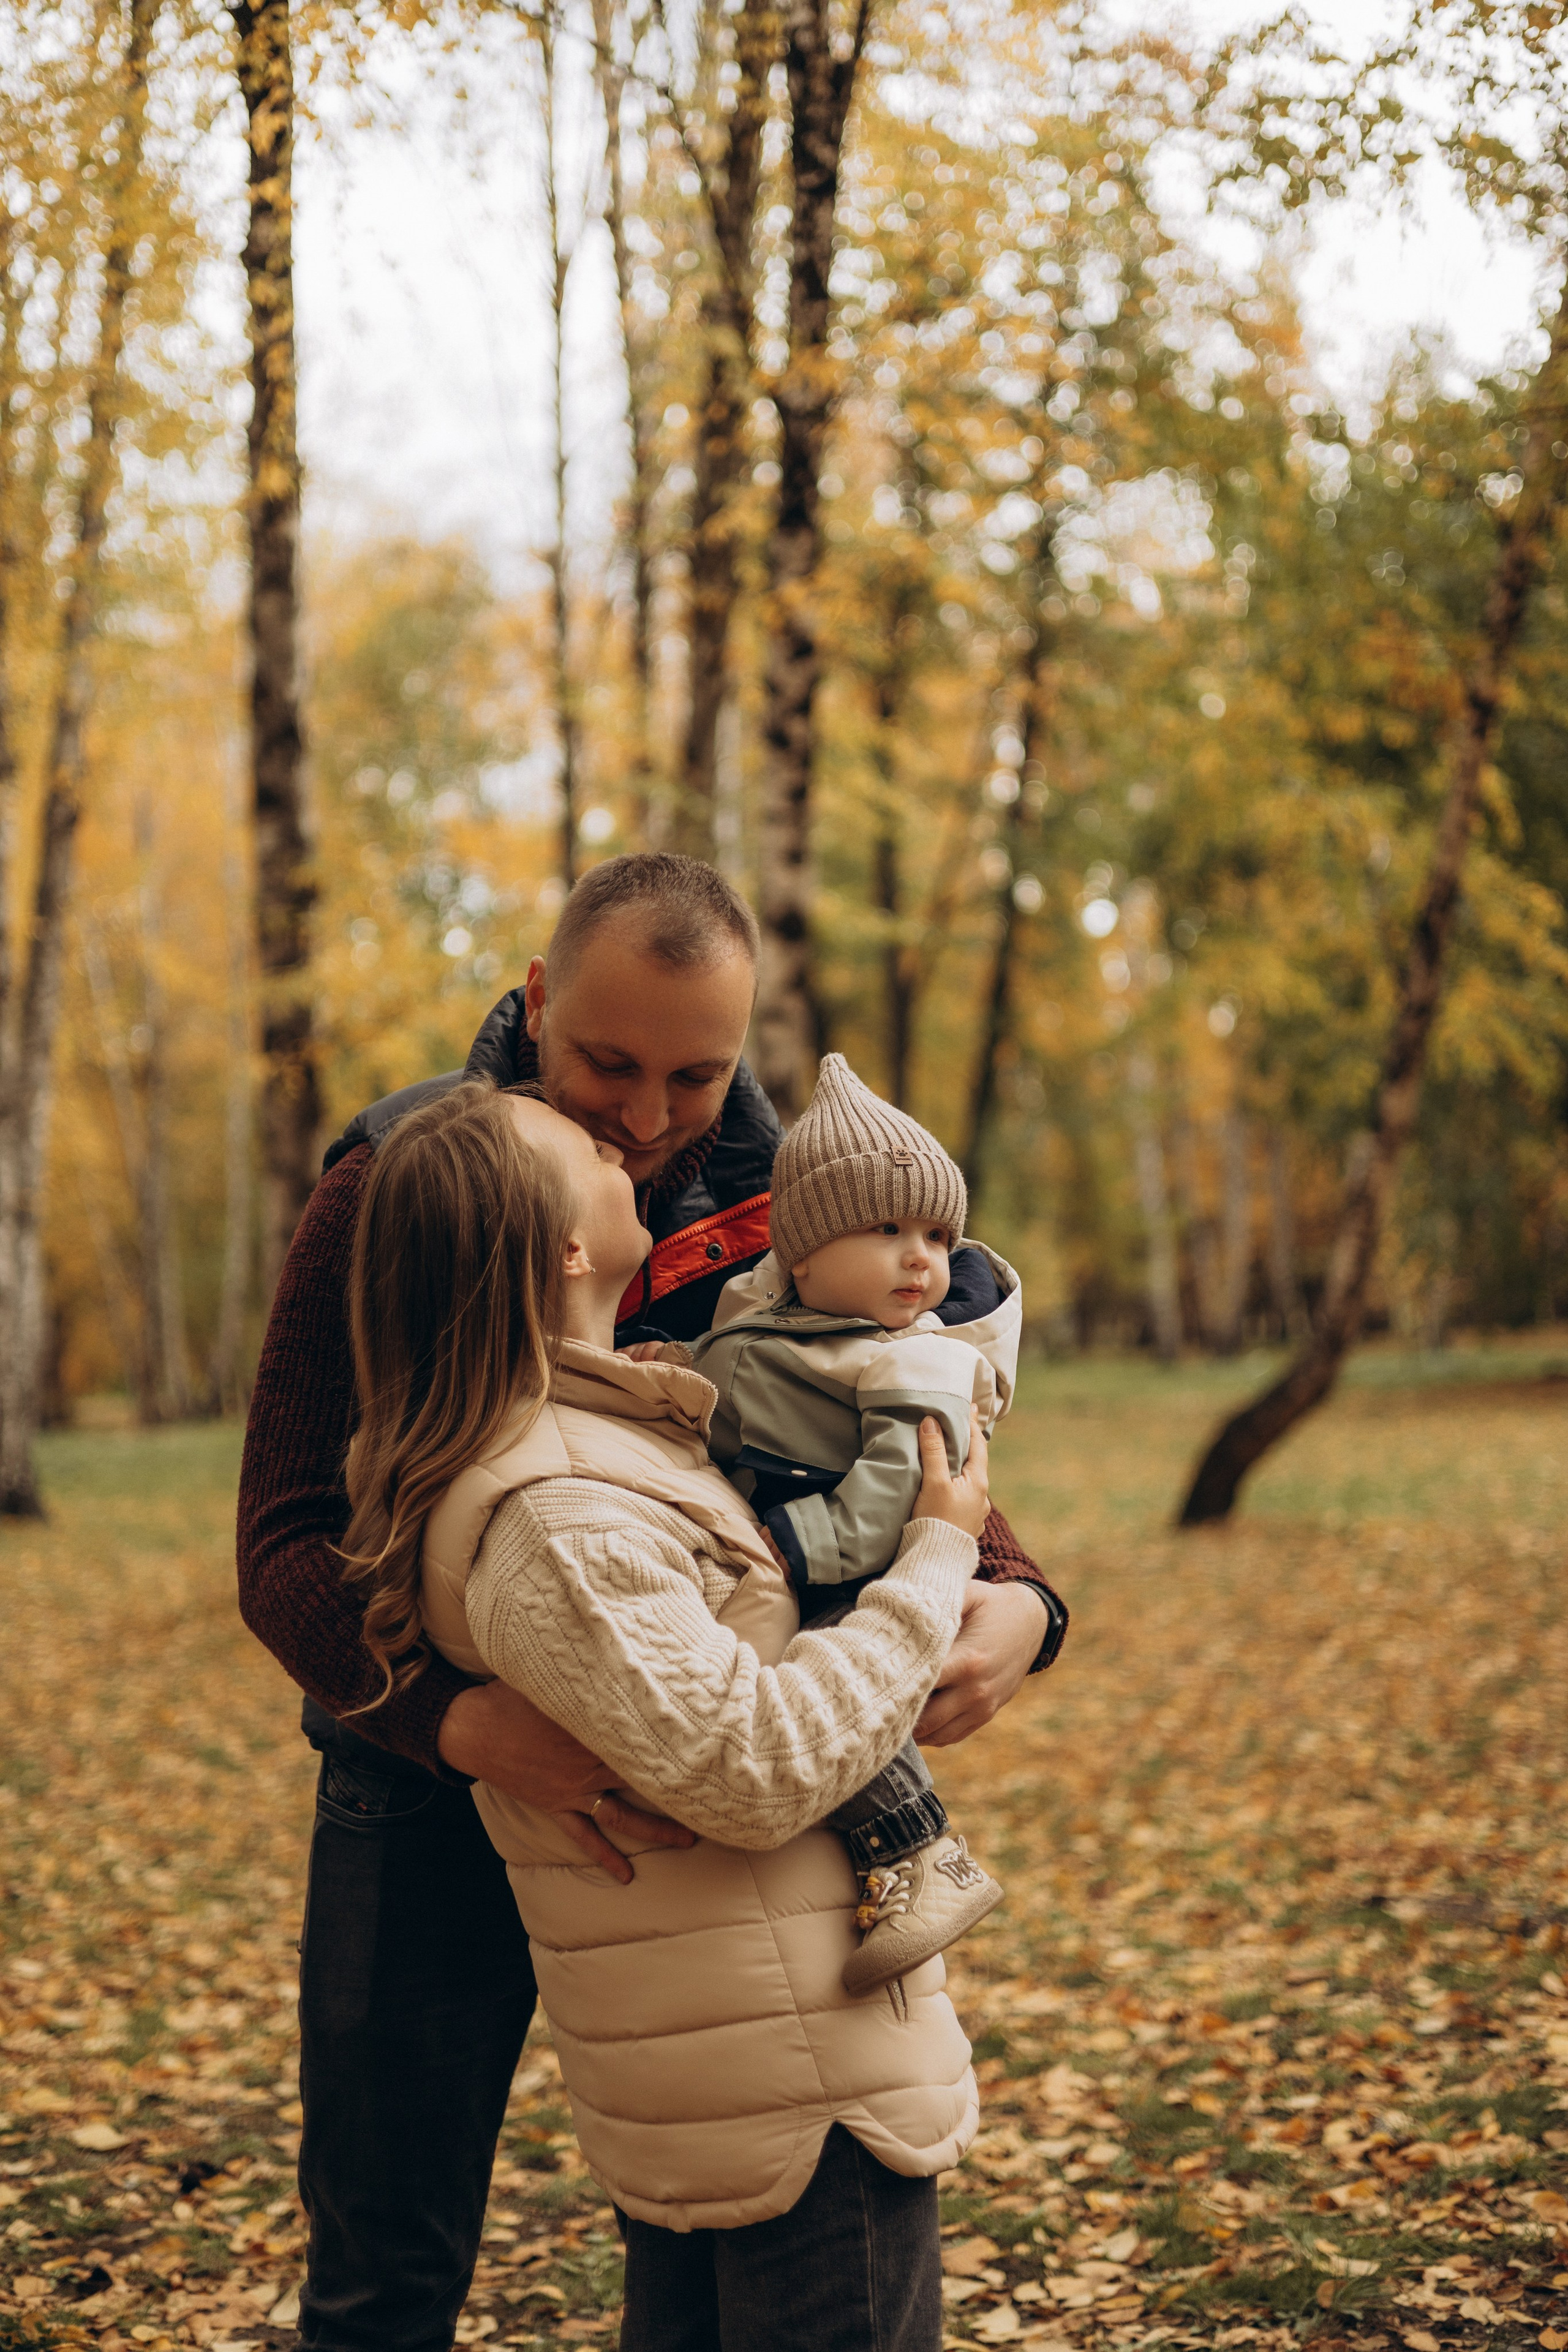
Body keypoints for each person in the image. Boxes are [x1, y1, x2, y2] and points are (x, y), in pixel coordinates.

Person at [235, 853, 1067, 2351]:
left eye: (692, 1076)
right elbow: (286, 1537)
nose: (641, 1114)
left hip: (697, 1809)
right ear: (539, 999)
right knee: (386, 2248)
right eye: (606, 1063)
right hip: (420, 1784)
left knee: (708, 2165)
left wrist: (1012, 1593)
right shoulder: (405, 1176)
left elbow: (881, 1415)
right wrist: (459, 1724)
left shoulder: (779, 1198)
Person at [346, 1077, 990, 2350]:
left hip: (745, 2063)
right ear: (565, 1247)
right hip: (796, 2093)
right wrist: (936, 1559)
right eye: (578, 1141)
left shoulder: (595, 1429)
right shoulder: (555, 1510)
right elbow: (752, 1765)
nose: (617, 1133)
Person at [680, 1053, 1019, 1996]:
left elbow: (902, 1484)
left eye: (937, 1235)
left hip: (865, 1567)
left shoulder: (919, 1360)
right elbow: (721, 1378)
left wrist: (802, 1548)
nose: (923, 1258)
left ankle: (919, 1854)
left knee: (827, 1680)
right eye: (887, 1228)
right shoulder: (783, 1322)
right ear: (802, 1250)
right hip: (805, 1535)